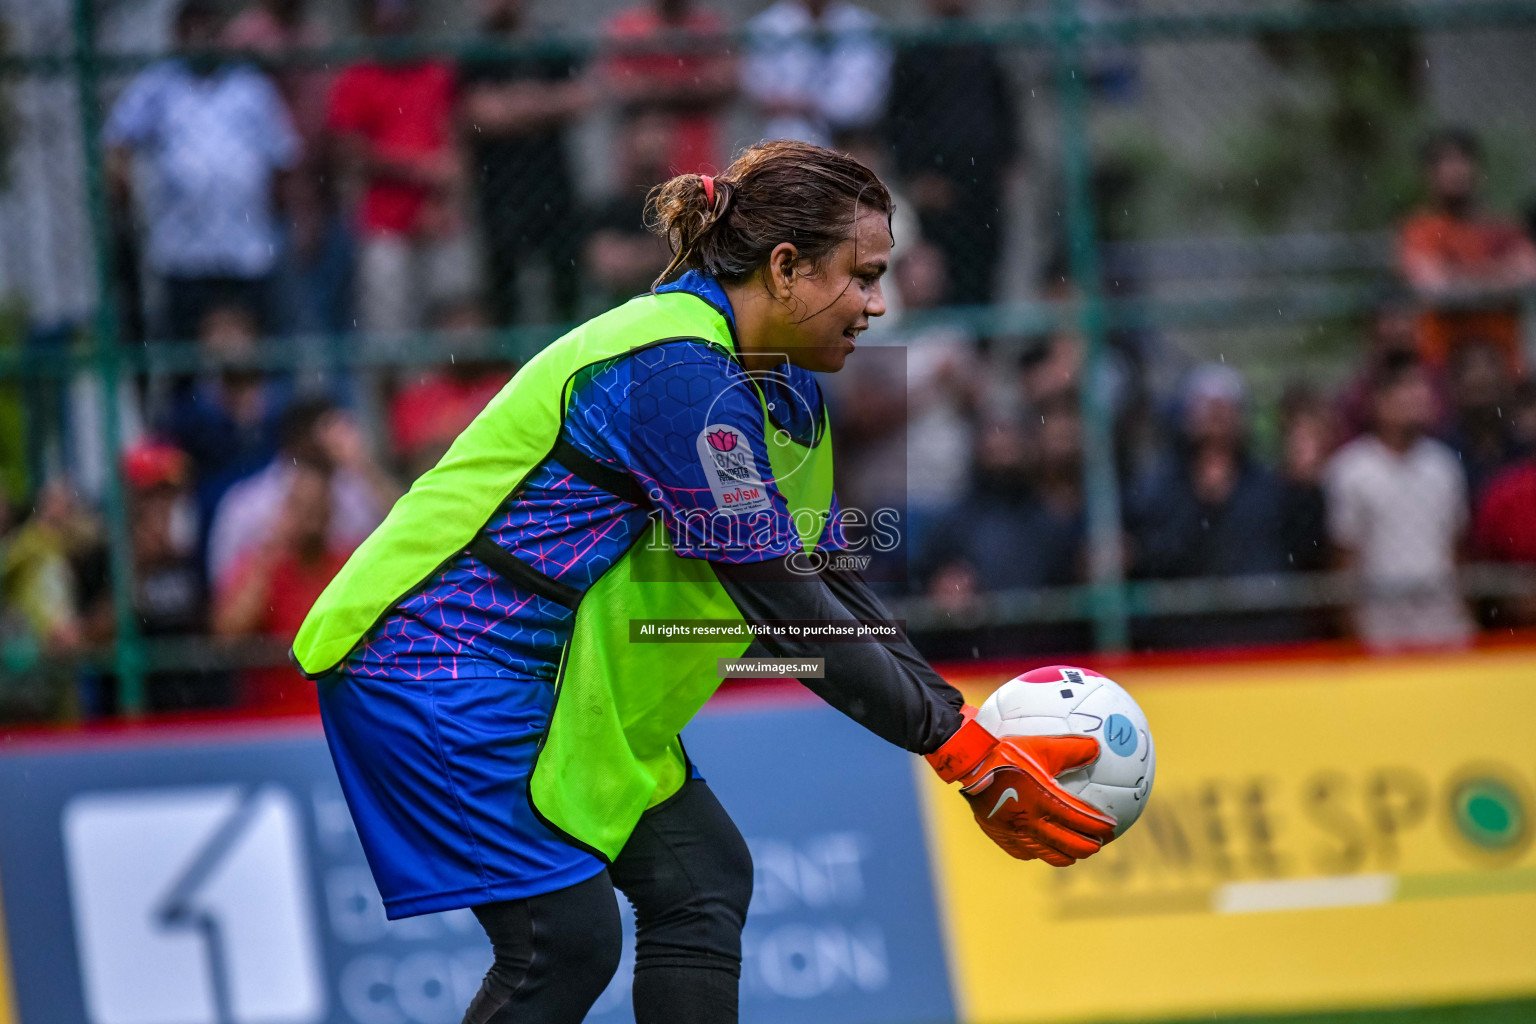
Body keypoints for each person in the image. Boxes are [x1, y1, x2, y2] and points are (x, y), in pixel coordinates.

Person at [290, 141, 1117, 1024]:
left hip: (537, 673)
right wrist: (957, 752)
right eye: (865, 276)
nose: (879, 305)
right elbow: (785, 607)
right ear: (787, 267)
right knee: (563, 940)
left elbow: (827, 589)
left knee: (700, 877)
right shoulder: (680, 371)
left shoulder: (778, 388)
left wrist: (963, 734)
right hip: (426, 656)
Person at [104, 0, 300, 341]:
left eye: (207, 26)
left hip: (246, 248)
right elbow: (118, 138)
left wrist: (286, 217)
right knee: (186, 353)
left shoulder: (250, 86)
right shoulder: (159, 84)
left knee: (255, 350)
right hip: (183, 252)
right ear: (177, 33)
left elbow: (283, 156)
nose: (200, 37)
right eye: (191, 27)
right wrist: (123, 186)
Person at [327, 0, 472, 341]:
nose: (397, 30)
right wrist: (419, 170)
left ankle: (443, 395)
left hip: (440, 221)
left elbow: (455, 145)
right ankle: (396, 395)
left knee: (455, 326)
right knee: (389, 332)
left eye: (403, 21)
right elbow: (349, 153)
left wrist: (441, 202)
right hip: (385, 225)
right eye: (388, 23)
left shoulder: (436, 73)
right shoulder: (357, 77)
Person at [1324, 351, 1474, 650]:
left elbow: (1457, 550)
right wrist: (1354, 634)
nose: (1418, 396)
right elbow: (1344, 560)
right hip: (1380, 631)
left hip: (1443, 625)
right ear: (1379, 401)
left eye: (1422, 387)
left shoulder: (1444, 466)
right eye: (1407, 387)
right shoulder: (1350, 470)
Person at [461, 0, 593, 326]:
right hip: (498, 190)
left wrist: (513, 106)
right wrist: (543, 105)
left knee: (566, 285)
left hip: (553, 186)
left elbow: (582, 98)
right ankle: (510, 367)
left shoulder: (550, 44)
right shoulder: (472, 52)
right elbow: (477, 114)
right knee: (504, 292)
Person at [886, 0, 1019, 306]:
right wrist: (917, 178)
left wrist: (1007, 166)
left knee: (985, 274)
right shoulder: (916, 53)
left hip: (983, 191)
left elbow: (1004, 112)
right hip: (937, 194)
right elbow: (898, 123)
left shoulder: (984, 49)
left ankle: (979, 348)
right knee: (936, 279)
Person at [205, 397, 397, 591]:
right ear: (300, 437)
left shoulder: (354, 489)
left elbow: (403, 527)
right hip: (275, 611)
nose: (335, 441)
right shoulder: (248, 501)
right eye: (327, 432)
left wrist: (362, 464)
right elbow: (222, 586)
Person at [214, 457, 352, 711]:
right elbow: (227, 635)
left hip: (333, 713)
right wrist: (274, 549)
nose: (311, 516)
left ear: (330, 509)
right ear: (287, 508)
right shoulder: (260, 563)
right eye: (301, 506)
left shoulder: (348, 565)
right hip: (274, 719)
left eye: (317, 505)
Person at [1398, 127, 1536, 374]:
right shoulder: (1420, 229)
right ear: (1429, 175)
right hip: (1443, 369)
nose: (1456, 171)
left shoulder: (1505, 227)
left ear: (1479, 170)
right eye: (1445, 163)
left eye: (1462, 161)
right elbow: (1434, 288)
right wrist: (1499, 275)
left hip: (1505, 369)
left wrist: (1457, 276)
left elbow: (1526, 276)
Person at [603, 0, 736, 175]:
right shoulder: (629, 26)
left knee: (701, 194)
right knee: (648, 194)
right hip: (643, 139)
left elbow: (722, 82)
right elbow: (622, 86)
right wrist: (688, 87)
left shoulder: (707, 25)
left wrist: (656, 87)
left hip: (697, 142)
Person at [741, 0, 891, 148]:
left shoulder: (863, 26)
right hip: (777, 141)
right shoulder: (766, 26)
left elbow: (858, 104)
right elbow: (760, 91)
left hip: (847, 142)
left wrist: (804, 104)